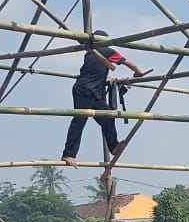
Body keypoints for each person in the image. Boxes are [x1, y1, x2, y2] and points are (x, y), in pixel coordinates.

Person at [61, 30, 145, 173]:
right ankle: (68, 154)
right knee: (80, 121)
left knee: (108, 117)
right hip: (85, 90)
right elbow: (127, 63)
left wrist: (107, 79)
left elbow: (94, 72)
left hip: (93, 91)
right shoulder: (106, 50)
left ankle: (113, 147)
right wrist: (138, 72)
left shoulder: (90, 53)